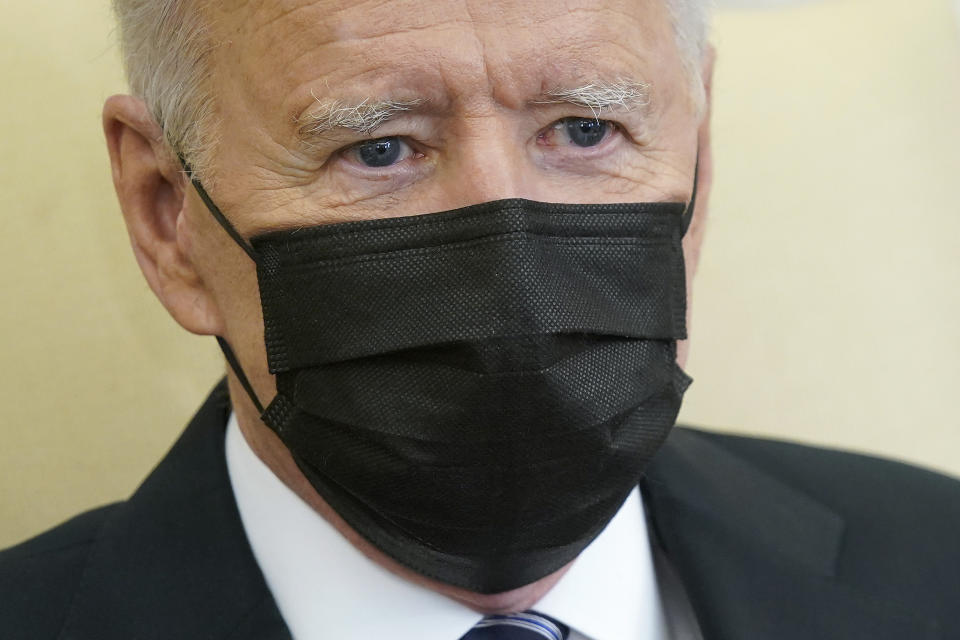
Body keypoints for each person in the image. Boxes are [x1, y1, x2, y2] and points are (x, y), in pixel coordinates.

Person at [1, 0, 958, 638]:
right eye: (380, 147)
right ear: (167, 214)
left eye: (585, 131)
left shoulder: (938, 564)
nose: (514, 273)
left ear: (697, 166)